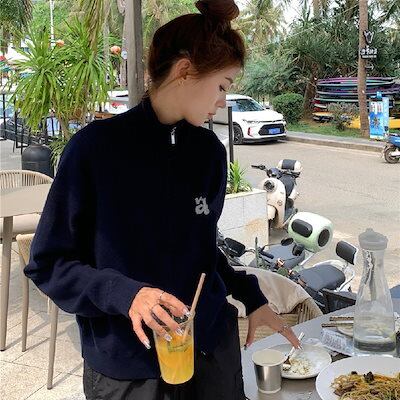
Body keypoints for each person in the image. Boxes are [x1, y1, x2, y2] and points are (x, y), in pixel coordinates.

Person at [25, 1, 300, 399]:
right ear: (185, 70)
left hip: (210, 353)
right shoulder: (95, 150)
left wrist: (251, 297)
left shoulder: (208, 153)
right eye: (222, 86)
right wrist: (126, 295)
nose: (222, 101)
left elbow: (201, 253)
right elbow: (49, 263)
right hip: (129, 368)